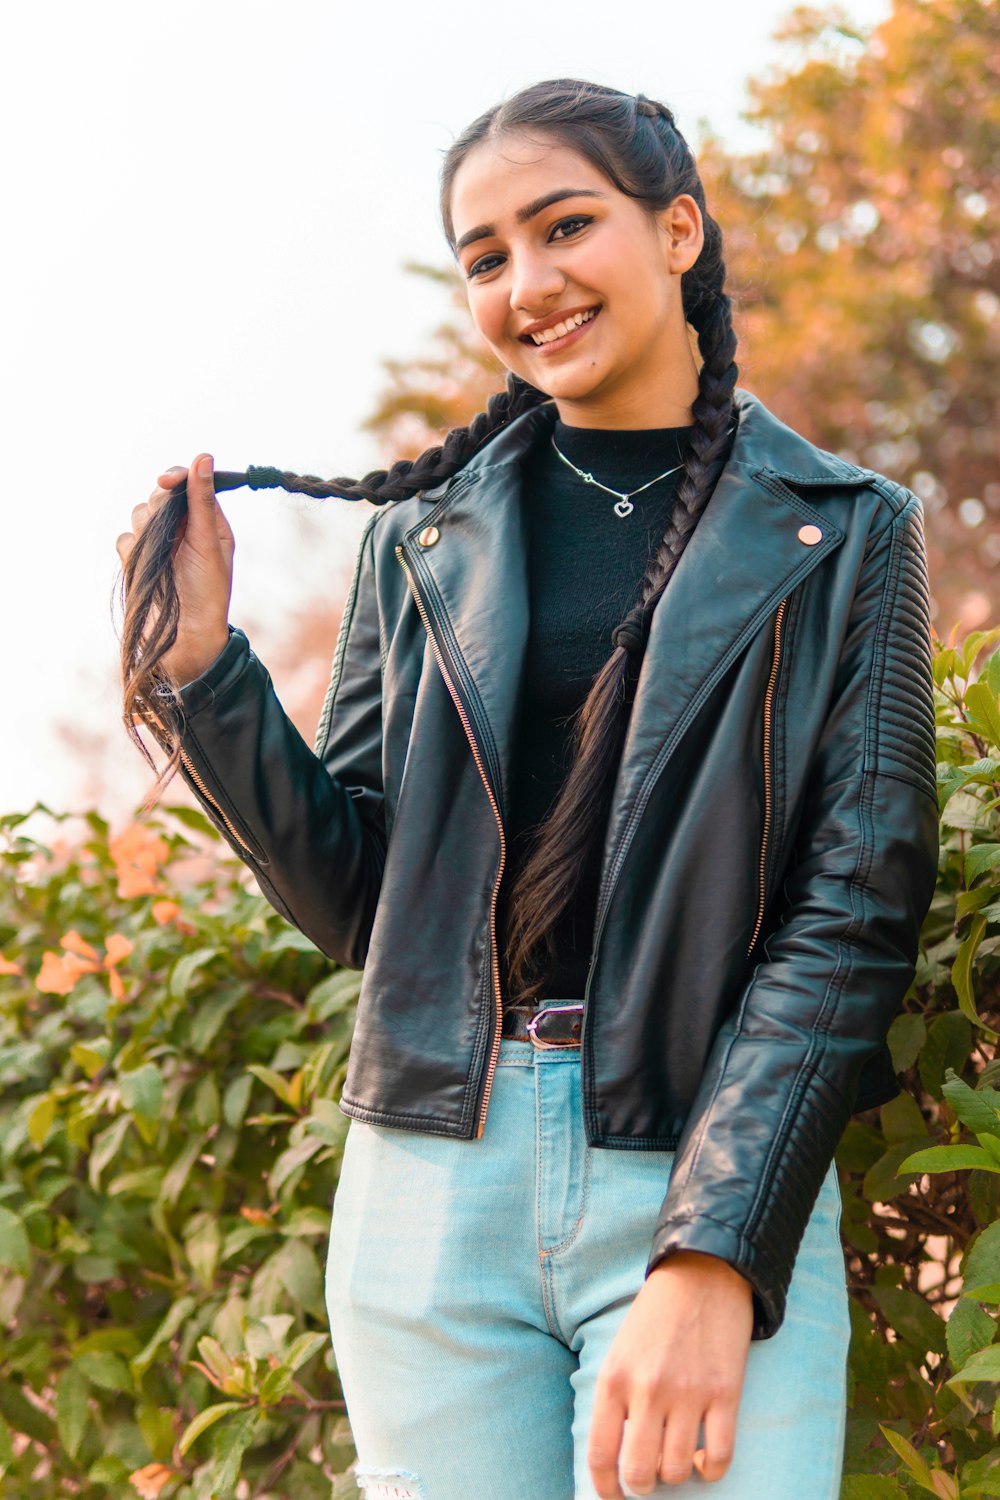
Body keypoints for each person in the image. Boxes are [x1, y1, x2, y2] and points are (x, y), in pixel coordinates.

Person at [115, 78, 940, 1500]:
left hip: (694, 1161)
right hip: (427, 1183)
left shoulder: (848, 531)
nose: (528, 282)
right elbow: (365, 903)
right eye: (486, 255)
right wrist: (205, 676)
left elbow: (853, 910)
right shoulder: (419, 543)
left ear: (677, 229)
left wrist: (712, 1249)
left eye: (566, 226)